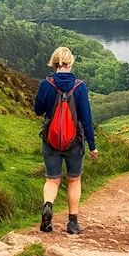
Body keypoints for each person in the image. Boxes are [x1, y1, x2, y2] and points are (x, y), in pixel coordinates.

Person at [34, 47, 98, 234]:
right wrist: (92, 146)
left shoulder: (46, 84)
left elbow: (38, 110)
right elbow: (86, 118)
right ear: (70, 63)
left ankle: (48, 206)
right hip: (75, 142)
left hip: (50, 139)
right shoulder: (79, 86)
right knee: (74, 180)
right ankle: (72, 223)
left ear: (54, 63)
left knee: (52, 180)